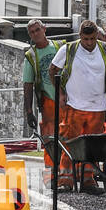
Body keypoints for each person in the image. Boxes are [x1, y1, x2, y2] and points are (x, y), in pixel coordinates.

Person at [48, 20, 106, 193]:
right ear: (80, 36)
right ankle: (66, 180)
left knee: (93, 147)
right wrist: (60, 93)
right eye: (86, 39)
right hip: (74, 106)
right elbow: (52, 70)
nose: (89, 43)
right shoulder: (68, 50)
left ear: (97, 36)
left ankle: (88, 180)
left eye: (93, 39)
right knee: (69, 142)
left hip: (98, 106)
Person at [21, 19, 64, 188]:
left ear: (44, 29)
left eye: (37, 30)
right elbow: (28, 85)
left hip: (67, 99)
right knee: (49, 140)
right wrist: (28, 112)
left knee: (70, 137)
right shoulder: (31, 56)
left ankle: (70, 175)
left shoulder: (60, 47)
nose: (35, 34)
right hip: (48, 102)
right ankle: (51, 176)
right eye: (32, 32)